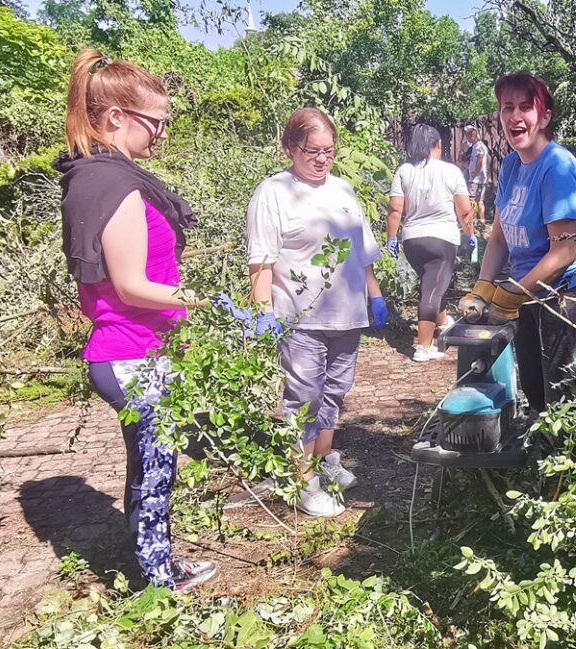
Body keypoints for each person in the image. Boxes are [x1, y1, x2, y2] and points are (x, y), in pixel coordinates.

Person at [54, 48, 216, 591]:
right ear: (117, 118)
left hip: (136, 349)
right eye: (157, 123)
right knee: (154, 468)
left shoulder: (104, 177)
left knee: (152, 462)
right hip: (129, 353)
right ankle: (158, 582)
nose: (161, 135)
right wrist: (203, 301)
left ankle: (154, 565)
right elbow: (129, 285)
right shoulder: (113, 185)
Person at [246, 108, 388, 518]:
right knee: (303, 399)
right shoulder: (273, 193)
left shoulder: (342, 190)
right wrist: (264, 313)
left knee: (334, 394)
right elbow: (262, 262)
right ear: (290, 147)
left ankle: (326, 465)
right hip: (300, 318)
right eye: (313, 151)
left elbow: (362, 251)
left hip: (346, 315)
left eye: (329, 151)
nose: (322, 159)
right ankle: (302, 480)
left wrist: (375, 295)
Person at [458, 71, 576, 414]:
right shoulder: (510, 166)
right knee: (535, 392)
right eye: (507, 107)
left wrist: (514, 292)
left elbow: (564, 251)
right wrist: (483, 285)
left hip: (565, 298)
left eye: (525, 107)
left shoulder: (558, 168)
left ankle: (566, 466)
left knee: (564, 399)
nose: (515, 116)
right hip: (527, 293)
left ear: (545, 116)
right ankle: (541, 461)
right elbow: (501, 235)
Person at [387, 124, 475, 361]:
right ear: (437, 146)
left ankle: (444, 322)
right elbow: (465, 210)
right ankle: (423, 346)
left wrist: (392, 237)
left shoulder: (404, 171)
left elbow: (396, 209)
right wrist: (470, 234)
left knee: (433, 284)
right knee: (431, 290)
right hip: (442, 239)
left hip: (412, 241)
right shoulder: (451, 172)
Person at [464, 125, 490, 222]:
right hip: (482, 178)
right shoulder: (478, 146)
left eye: (467, 136)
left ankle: (474, 220)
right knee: (480, 201)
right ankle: (482, 220)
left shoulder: (478, 146)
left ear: (472, 136)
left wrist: (475, 172)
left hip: (475, 179)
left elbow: (480, 157)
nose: (467, 138)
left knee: (472, 200)